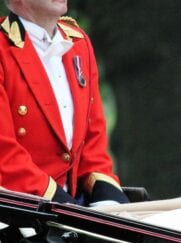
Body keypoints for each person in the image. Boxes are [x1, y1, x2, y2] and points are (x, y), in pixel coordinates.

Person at [0, 0, 128, 206]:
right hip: (20, 210)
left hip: (71, 207)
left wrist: (111, 202)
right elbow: (4, 155)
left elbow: (93, 146)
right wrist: (65, 206)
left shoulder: (79, 43)